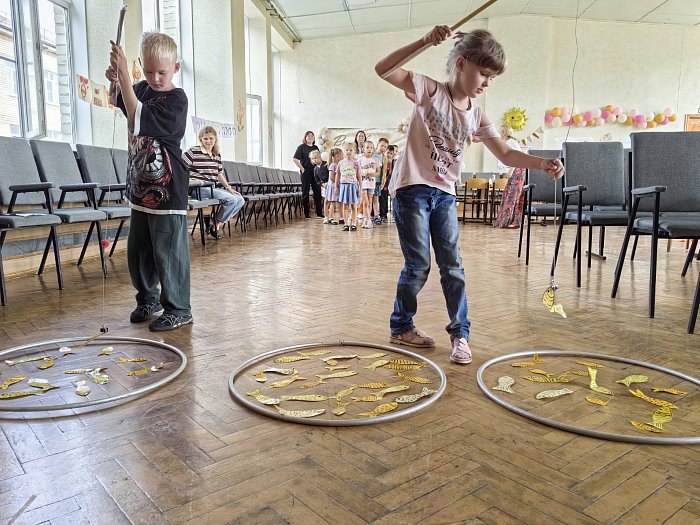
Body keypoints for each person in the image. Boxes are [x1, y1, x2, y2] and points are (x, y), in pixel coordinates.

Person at [375, 26, 564, 364]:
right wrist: (425, 41)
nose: (487, 83)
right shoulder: (429, 90)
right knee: (419, 265)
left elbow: (505, 153)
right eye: (484, 73)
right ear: (461, 64)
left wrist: (542, 163)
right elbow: (384, 69)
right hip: (411, 190)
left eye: (492, 77)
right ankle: (401, 326)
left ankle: (460, 334)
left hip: (445, 195)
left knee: (453, 266)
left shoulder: (475, 114)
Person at [107, 32, 193, 331]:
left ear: (176, 68)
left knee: (168, 253)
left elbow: (136, 115)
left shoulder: (177, 100)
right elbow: (118, 100)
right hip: (140, 186)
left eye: (162, 72)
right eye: (148, 71)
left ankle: (179, 308)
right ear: (141, 66)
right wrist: (116, 79)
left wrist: (124, 76)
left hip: (168, 190)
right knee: (139, 250)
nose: (155, 79)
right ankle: (148, 299)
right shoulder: (142, 88)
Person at [183, 126, 245, 239]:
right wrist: (188, 179)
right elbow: (179, 166)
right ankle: (214, 225)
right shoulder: (193, 151)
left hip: (213, 188)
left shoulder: (217, 155)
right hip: (198, 189)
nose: (208, 141)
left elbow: (219, 174)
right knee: (231, 200)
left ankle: (215, 223)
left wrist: (228, 188)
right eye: (205, 139)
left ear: (215, 139)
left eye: (211, 138)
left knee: (240, 199)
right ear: (201, 139)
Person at [493, 125, 525, 229]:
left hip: (517, 171)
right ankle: (505, 221)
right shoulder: (504, 143)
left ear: (505, 132)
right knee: (508, 195)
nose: (499, 133)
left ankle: (514, 221)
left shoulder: (512, 142)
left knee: (513, 196)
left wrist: (511, 170)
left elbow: (518, 157)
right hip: (512, 170)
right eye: (499, 131)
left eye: (501, 131)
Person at [292, 131, 323, 219]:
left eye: (312, 136)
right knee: (305, 192)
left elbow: (319, 159)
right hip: (305, 172)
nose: (310, 137)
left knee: (317, 192)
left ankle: (319, 213)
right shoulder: (301, 147)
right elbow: (295, 159)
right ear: (305, 137)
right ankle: (306, 214)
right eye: (308, 136)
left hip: (315, 172)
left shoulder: (315, 147)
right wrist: (302, 169)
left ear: (314, 138)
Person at [336, 143, 361, 231]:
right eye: (347, 150)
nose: (348, 152)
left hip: (353, 185)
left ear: (354, 151)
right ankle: (346, 223)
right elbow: (337, 175)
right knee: (345, 205)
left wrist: (360, 188)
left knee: (354, 205)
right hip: (344, 186)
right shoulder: (341, 163)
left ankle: (354, 223)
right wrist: (336, 186)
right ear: (344, 151)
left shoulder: (356, 163)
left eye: (351, 150)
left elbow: (359, 176)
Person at [358, 141, 380, 229]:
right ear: (363, 149)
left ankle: (366, 219)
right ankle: (368, 220)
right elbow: (357, 172)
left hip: (371, 184)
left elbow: (378, 172)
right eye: (367, 147)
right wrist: (362, 174)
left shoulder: (375, 160)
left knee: (369, 202)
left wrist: (372, 174)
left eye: (371, 147)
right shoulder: (360, 160)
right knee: (365, 202)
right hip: (363, 184)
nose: (369, 149)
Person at [310, 150, 331, 223]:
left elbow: (330, 174)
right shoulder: (315, 169)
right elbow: (317, 180)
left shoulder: (326, 164)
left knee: (332, 202)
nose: (314, 160)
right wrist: (322, 184)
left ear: (320, 157)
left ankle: (331, 216)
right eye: (312, 159)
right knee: (326, 201)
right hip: (324, 186)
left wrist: (329, 182)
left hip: (330, 184)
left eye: (316, 158)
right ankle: (326, 216)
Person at [373, 138, 389, 224]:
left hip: (377, 181)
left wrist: (383, 182)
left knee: (376, 199)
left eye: (385, 147)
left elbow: (384, 171)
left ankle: (376, 215)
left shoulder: (384, 158)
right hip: (369, 181)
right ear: (377, 145)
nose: (383, 148)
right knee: (368, 199)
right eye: (382, 145)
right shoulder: (372, 153)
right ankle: (367, 216)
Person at [325, 148, 343, 224]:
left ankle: (342, 218)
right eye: (342, 155)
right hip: (333, 186)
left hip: (338, 185)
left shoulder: (340, 165)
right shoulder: (333, 165)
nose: (343, 156)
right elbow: (331, 177)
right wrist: (337, 182)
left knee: (341, 203)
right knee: (333, 202)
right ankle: (331, 218)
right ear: (337, 156)